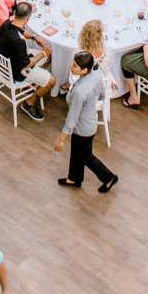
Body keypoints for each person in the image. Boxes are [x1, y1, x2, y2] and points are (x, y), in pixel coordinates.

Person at [55, 51, 117, 192]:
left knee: (85, 156)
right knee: (77, 153)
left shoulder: (80, 92)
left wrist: (61, 139)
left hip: (82, 128)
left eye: (75, 66)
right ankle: (74, 178)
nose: (71, 67)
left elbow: (72, 118)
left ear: (84, 70)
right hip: (90, 121)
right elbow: (102, 93)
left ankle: (108, 177)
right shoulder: (95, 74)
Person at [0, 0, 54, 121]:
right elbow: (26, 64)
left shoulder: (7, 23)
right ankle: (29, 103)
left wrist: (34, 37)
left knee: (47, 59)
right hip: (16, 71)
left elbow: (21, 30)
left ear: (15, 13)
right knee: (52, 80)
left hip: (7, 61)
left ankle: (33, 82)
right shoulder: (18, 41)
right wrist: (43, 53)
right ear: (27, 18)